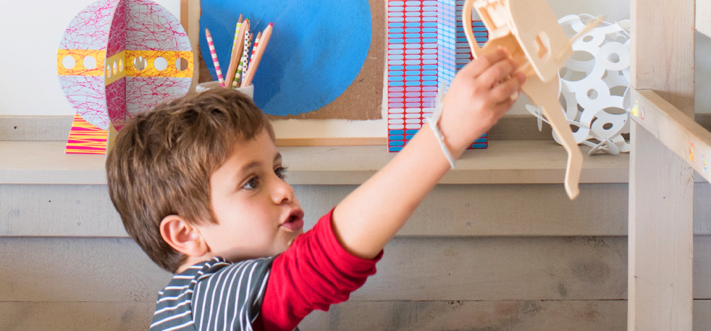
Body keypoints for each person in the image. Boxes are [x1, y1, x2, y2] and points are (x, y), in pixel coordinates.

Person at [107, 47, 525, 331]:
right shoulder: (206, 301)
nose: (283, 191)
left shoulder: (197, 297)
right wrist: (446, 134)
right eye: (252, 182)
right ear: (185, 233)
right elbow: (323, 261)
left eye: (278, 170)